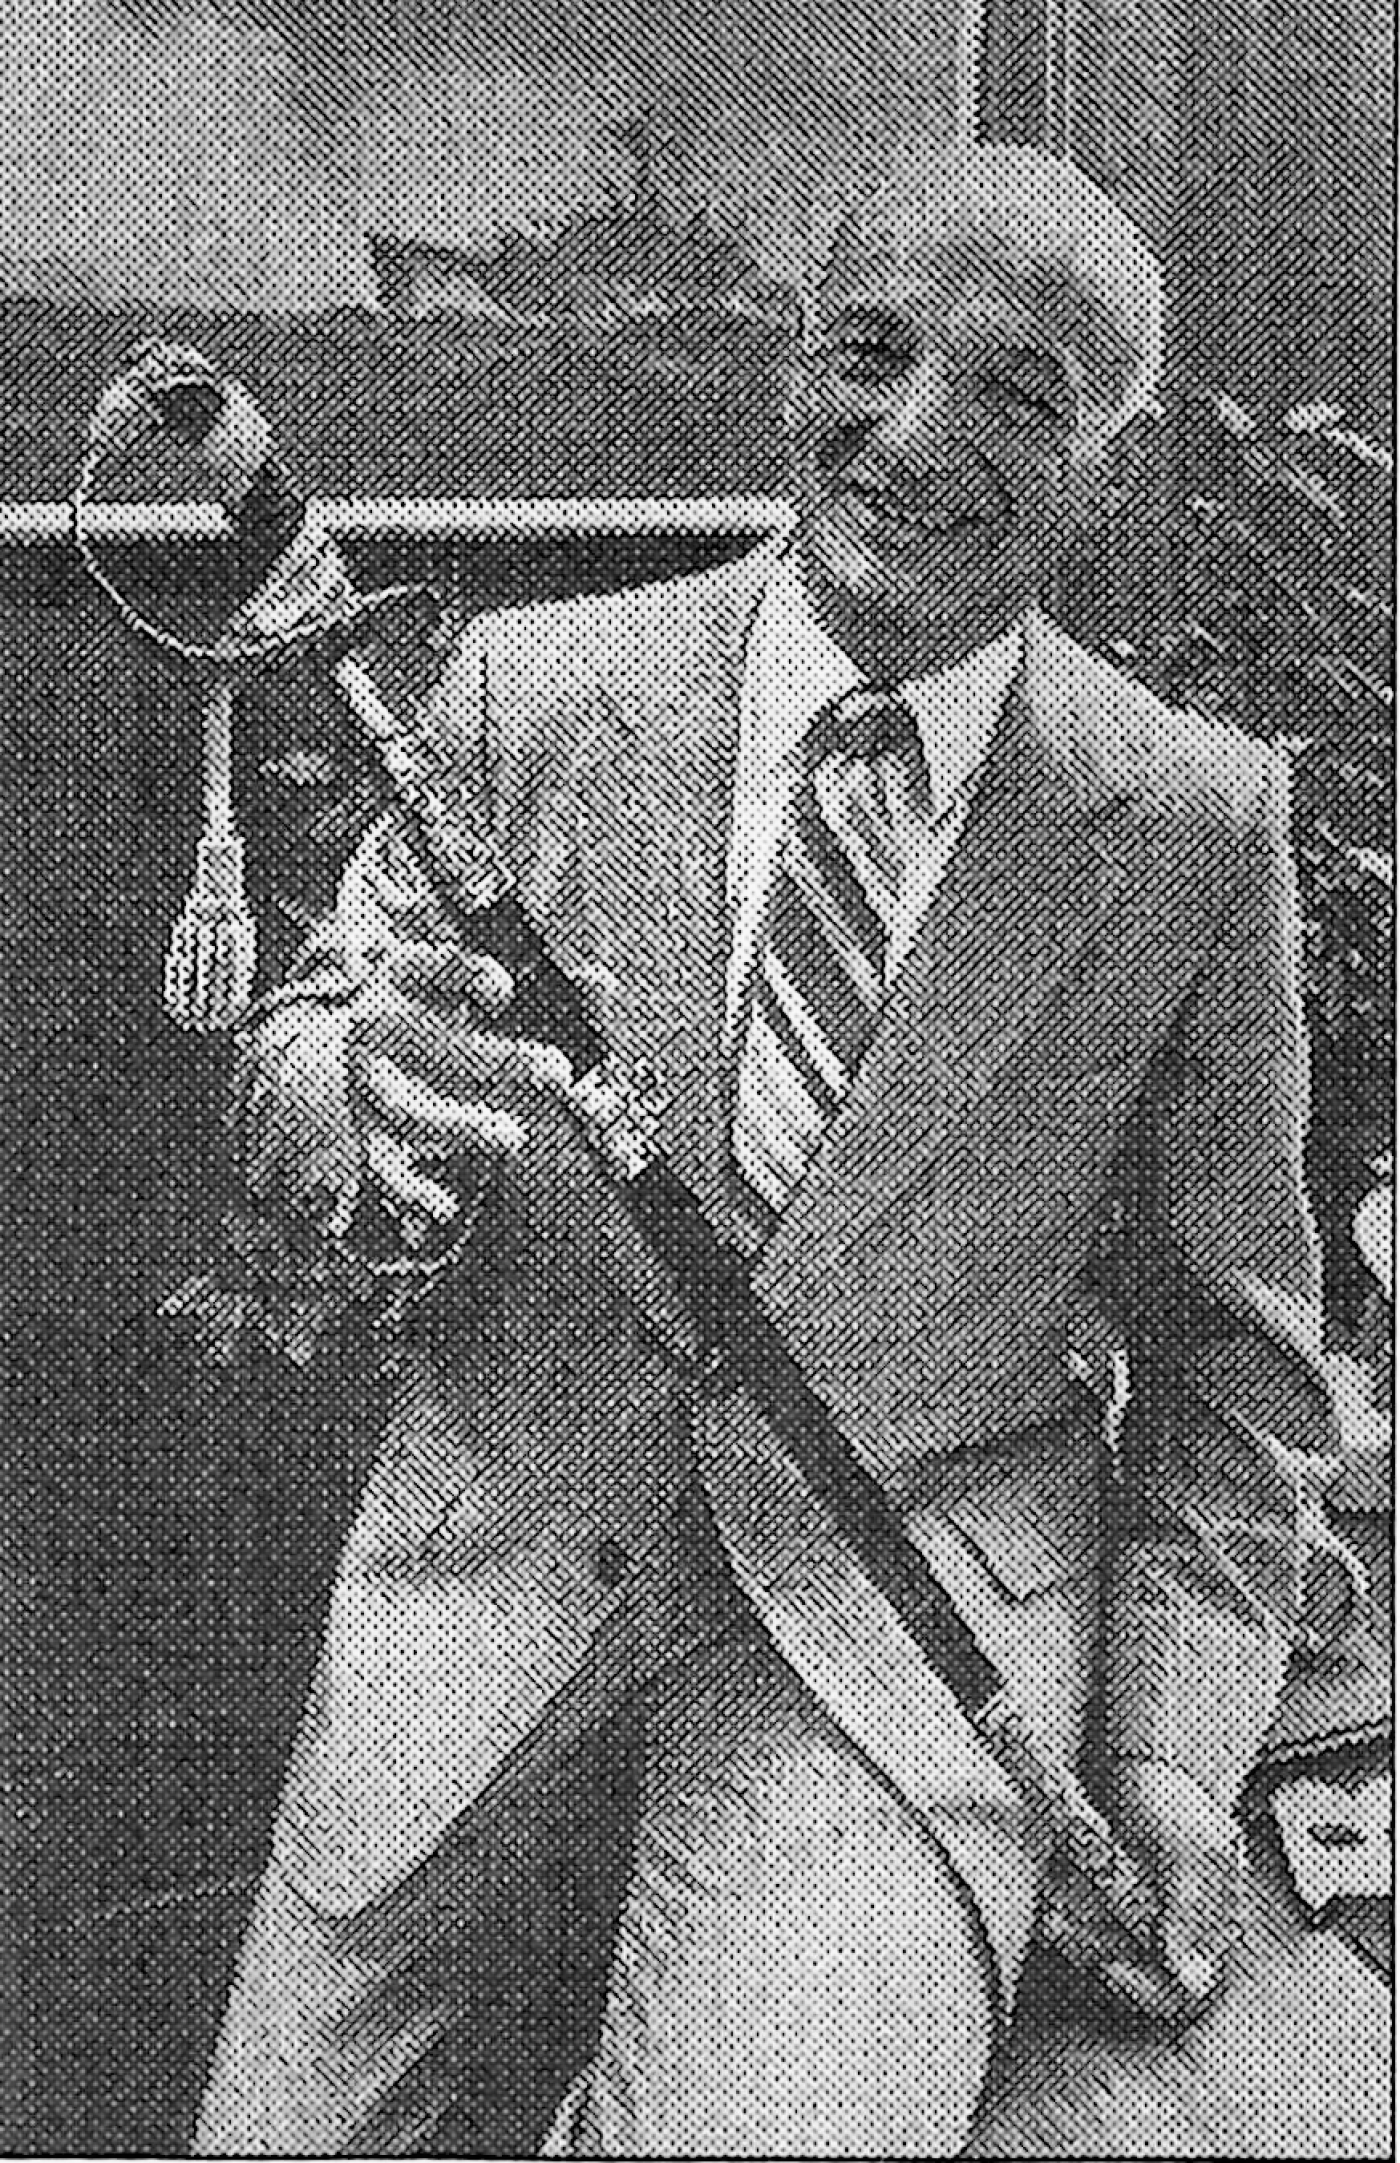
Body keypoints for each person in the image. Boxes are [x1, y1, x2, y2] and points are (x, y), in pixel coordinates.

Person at [193, 141, 1340, 2157]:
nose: (915, 434)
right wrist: (347, 1088)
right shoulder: (531, 692)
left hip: (897, 1658)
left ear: (1118, 468)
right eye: (872, 356)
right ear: (793, 373)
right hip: (487, 1571)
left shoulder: (1187, 824)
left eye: (1016, 388)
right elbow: (293, 1055)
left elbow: (1236, 1376)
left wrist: (1163, 1753)